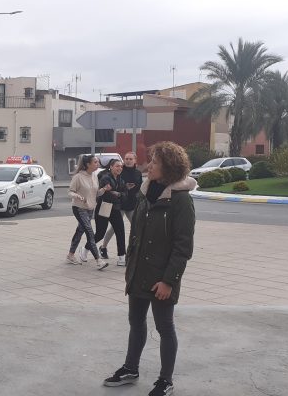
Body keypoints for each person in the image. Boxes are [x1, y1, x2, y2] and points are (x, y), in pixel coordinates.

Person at [103, 142, 196, 396]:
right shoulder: (146, 192)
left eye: (154, 162)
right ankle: (131, 368)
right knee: (136, 321)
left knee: (164, 327)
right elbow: (137, 235)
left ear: (168, 167)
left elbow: (183, 247)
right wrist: (130, 266)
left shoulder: (181, 200)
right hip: (139, 273)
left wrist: (169, 281)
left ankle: (166, 380)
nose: (149, 165)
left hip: (162, 277)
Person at [67, 154, 110, 269]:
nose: (98, 164)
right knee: (90, 232)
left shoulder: (94, 176)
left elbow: (95, 193)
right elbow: (70, 191)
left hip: (90, 208)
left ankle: (70, 255)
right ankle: (99, 260)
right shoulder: (78, 177)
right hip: (79, 208)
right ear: (88, 164)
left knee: (80, 231)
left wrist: (104, 190)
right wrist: (77, 196)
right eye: (95, 162)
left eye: (97, 162)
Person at [100, 152, 143, 265]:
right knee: (115, 228)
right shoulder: (119, 170)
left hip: (132, 203)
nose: (128, 160)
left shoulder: (138, 173)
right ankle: (103, 247)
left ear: (135, 160)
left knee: (136, 226)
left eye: (130, 159)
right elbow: (112, 182)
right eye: (126, 158)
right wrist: (124, 188)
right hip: (119, 204)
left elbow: (140, 188)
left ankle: (133, 250)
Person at [91, 159, 127, 266]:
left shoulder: (121, 180)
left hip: (115, 209)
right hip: (104, 207)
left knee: (120, 231)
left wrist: (119, 194)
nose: (119, 168)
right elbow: (105, 194)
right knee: (100, 234)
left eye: (121, 166)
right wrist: (117, 194)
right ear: (111, 167)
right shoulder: (105, 178)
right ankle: (85, 248)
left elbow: (125, 194)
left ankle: (121, 257)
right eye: (117, 166)